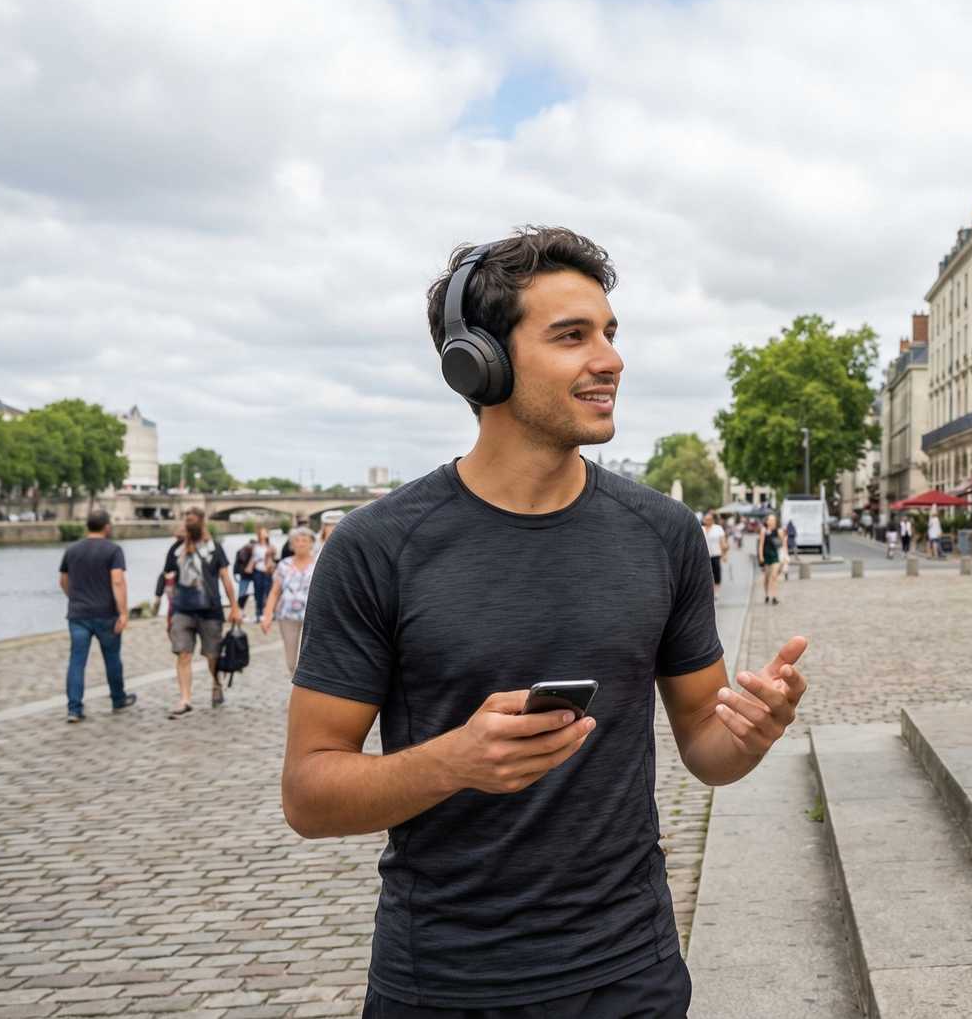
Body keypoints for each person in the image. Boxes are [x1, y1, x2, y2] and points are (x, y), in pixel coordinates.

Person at [281, 227, 809, 1017]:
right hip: (445, 985)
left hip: (631, 973)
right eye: (572, 336)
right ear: (480, 362)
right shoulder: (377, 547)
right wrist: (453, 761)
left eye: (610, 333)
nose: (610, 358)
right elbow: (308, 792)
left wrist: (750, 732)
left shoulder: (663, 533)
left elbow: (707, 743)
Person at [161, 508, 243, 718]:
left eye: (192, 520)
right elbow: (168, 579)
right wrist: (168, 609)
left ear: (201, 522)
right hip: (182, 610)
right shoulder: (176, 549)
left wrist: (234, 607)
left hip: (210, 610)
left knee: (212, 654)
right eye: (187, 520)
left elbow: (225, 578)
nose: (188, 523)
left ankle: (216, 683)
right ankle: (185, 698)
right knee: (183, 654)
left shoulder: (214, 548)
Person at [58, 509, 134, 722]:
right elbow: (117, 581)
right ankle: (118, 698)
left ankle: (74, 708)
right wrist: (123, 612)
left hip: (78, 615)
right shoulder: (113, 550)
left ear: (87, 526)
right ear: (107, 527)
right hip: (106, 614)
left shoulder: (71, 550)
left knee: (77, 661)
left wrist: (74, 598)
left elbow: (63, 580)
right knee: (112, 658)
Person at [261, 525, 318, 673]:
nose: (300, 543)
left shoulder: (319, 564)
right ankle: (294, 680)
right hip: (287, 616)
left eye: (304, 540)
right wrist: (267, 615)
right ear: (292, 545)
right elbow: (275, 592)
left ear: (311, 543)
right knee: (291, 660)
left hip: (311, 617)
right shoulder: (284, 565)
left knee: (311, 657)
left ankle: (309, 683)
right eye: (296, 540)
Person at [247, 525, 277, 618]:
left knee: (268, 591)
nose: (264, 534)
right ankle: (258, 612)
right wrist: (250, 566)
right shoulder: (256, 546)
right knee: (258, 592)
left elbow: (274, 557)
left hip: (267, 571)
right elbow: (253, 558)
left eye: (265, 532)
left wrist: (271, 554)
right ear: (259, 535)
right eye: (262, 533)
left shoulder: (271, 546)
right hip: (258, 571)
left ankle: (269, 612)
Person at [761, 512, 785, 605]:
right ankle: (767, 594)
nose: (772, 522)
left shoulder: (778, 531)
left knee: (774, 576)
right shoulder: (764, 531)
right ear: (767, 521)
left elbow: (783, 543)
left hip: (775, 556)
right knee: (766, 578)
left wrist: (784, 556)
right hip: (766, 556)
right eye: (770, 520)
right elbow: (761, 545)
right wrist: (761, 556)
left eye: (773, 520)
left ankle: (774, 597)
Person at [701, 512, 727, 602]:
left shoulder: (718, 528)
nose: (707, 521)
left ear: (712, 520)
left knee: (716, 572)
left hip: (716, 554)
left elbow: (723, 542)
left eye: (709, 519)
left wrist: (724, 554)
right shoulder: (701, 529)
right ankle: (709, 591)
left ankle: (716, 592)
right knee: (707, 573)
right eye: (706, 519)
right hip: (704, 555)